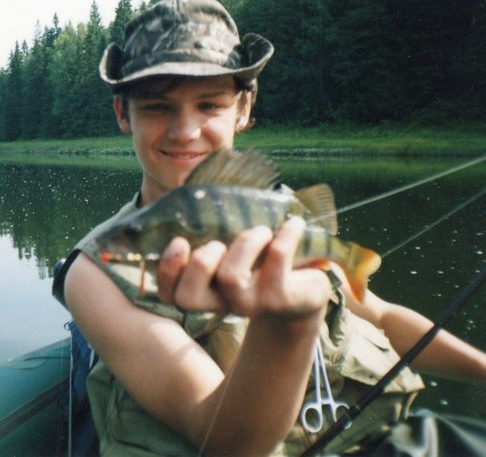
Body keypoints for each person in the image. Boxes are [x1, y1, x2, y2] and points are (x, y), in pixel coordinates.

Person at [53, 1, 486, 455]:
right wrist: (292, 322)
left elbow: (380, 315)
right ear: (123, 114)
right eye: (158, 107)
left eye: (209, 105)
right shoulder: (98, 272)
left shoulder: (277, 210)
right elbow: (223, 439)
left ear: (243, 108)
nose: (185, 131)